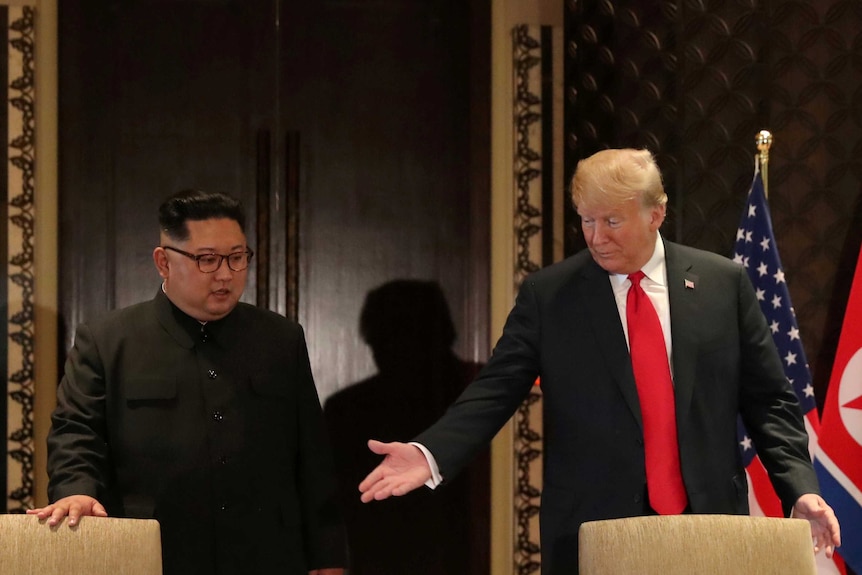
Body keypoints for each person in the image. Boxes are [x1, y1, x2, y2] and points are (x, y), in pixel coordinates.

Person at [357, 149, 842, 575]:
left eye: (612, 221)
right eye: (586, 220)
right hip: (592, 532)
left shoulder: (722, 284)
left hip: (708, 528)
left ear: (657, 214)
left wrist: (799, 486)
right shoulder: (551, 296)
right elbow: (495, 390)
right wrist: (430, 453)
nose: (596, 236)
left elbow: (770, 402)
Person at [29, 190, 346, 575]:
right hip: (155, 551)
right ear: (163, 262)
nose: (226, 274)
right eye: (207, 260)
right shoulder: (109, 341)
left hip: (265, 551)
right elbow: (75, 433)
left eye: (237, 257)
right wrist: (76, 490)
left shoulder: (281, 340)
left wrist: (328, 555)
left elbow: (312, 457)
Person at [324, 279, 489, 574]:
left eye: (399, 336)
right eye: (383, 339)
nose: (388, 350)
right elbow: (336, 506)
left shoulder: (481, 392)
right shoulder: (347, 409)